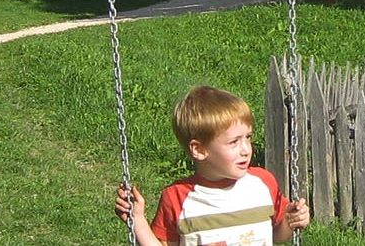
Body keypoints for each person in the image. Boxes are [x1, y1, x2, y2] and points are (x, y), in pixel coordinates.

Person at [115, 86, 312, 246]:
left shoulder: (262, 183)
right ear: (199, 150)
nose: (246, 149)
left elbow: (275, 235)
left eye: (248, 137)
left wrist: (290, 221)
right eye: (234, 142)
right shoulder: (177, 198)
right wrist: (138, 221)